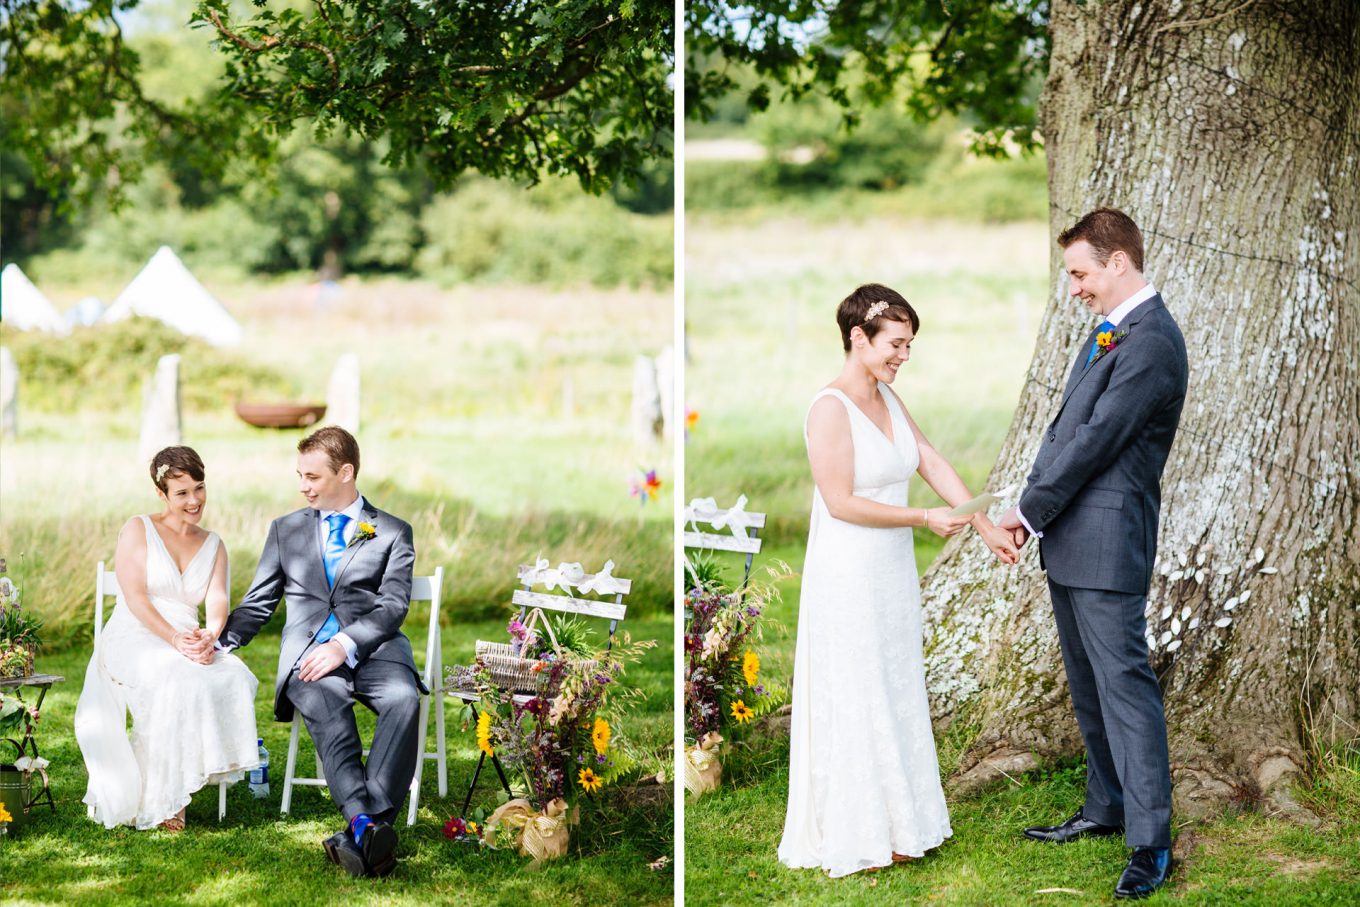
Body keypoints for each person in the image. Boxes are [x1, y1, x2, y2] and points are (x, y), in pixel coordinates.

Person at [778, 284, 1019, 877]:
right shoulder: (829, 408)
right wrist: (922, 517)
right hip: (850, 570)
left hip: (890, 571)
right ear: (858, 338)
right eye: (896, 343)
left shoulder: (888, 396)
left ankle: (901, 822)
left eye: (910, 344)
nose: (903, 356)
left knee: (893, 680)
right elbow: (839, 502)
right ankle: (859, 829)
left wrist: (982, 524)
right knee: (859, 686)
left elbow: (930, 460)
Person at [998, 207, 1188, 900]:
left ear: (1117, 263)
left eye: (1080, 272)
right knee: (1088, 687)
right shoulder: (1111, 333)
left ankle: (1151, 842)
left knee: (1126, 690)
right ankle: (1106, 806)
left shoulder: (1152, 342)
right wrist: (1041, 514)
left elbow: (1097, 440)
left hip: (1108, 540)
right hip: (1072, 538)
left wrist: (1025, 511)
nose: (1074, 287)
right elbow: (1066, 429)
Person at [221, 426, 422, 878]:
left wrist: (344, 644)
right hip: (308, 658)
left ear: (346, 472)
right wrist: (217, 643)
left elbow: (393, 606)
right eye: (300, 475)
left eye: (312, 476)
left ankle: (358, 828)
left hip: (376, 651)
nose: (302, 485)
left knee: (404, 700)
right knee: (330, 709)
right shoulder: (285, 530)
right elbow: (258, 603)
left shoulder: (392, 532)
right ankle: (369, 827)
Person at [75, 446, 260, 831]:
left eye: (199, 488)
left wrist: (209, 637)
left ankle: (186, 779)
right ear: (161, 493)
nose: (194, 501)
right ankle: (167, 803)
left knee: (234, 674)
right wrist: (176, 640)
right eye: (182, 493)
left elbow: (218, 600)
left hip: (189, 637)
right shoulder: (138, 528)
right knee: (176, 676)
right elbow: (135, 597)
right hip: (136, 632)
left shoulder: (214, 544)